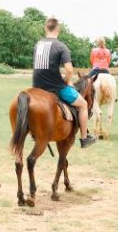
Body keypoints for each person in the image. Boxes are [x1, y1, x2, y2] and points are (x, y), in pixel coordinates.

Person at [32, 17, 96, 148]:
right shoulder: (61, 46)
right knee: (83, 104)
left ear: (46, 28)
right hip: (55, 87)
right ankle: (84, 138)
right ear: (58, 29)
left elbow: (43, 67)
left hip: (37, 87)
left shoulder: (37, 45)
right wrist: (66, 82)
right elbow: (69, 70)